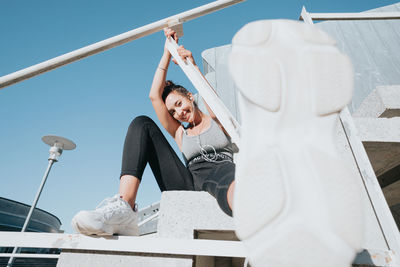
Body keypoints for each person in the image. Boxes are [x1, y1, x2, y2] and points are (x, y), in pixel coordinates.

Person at [71, 28, 236, 236]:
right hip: (187, 182)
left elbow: (209, 95)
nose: (179, 113)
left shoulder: (216, 120)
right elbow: (154, 96)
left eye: (179, 103)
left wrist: (191, 66)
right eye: (173, 112)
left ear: (189, 96)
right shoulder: (180, 133)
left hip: (222, 172)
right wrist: (167, 52)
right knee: (142, 124)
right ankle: (126, 209)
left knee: (227, 176)